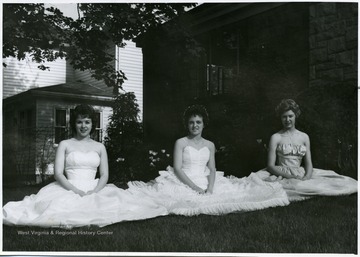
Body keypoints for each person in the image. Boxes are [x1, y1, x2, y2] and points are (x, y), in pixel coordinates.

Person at [3, 104, 167, 228]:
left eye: (87, 122)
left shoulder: (99, 146)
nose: (83, 126)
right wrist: (76, 191)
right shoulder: (65, 144)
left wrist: (95, 191)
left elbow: (104, 175)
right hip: (68, 186)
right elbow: (59, 174)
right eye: (79, 122)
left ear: (92, 124)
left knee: (122, 205)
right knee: (51, 210)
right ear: (74, 124)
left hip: (95, 186)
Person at [127, 105, 290, 216]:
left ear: (204, 124)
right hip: (184, 179)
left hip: (206, 179)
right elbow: (177, 169)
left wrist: (210, 187)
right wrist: (196, 188)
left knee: (236, 194)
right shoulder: (181, 142)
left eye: (198, 122)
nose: (195, 125)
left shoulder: (210, 145)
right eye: (191, 122)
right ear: (187, 125)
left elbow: (212, 169)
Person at [256, 99, 357, 201]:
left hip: (300, 171)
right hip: (281, 173)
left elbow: (309, 163)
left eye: (290, 116)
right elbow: (270, 166)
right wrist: (289, 176)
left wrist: (307, 177)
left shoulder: (304, 137)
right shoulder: (276, 137)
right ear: (280, 118)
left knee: (332, 184)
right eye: (284, 117)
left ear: (296, 116)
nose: (287, 120)